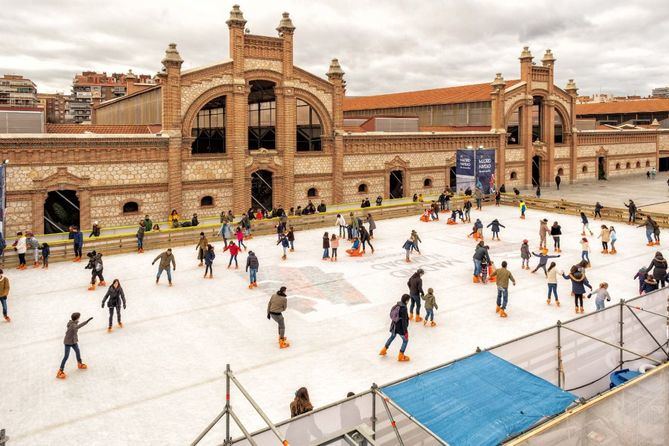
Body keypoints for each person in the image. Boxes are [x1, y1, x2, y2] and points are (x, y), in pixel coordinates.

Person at [56, 312, 93, 379]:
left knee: (77, 351)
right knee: (66, 356)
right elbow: (78, 326)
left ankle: (80, 364)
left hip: (73, 341)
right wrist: (86, 322)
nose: (79, 318)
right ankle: (60, 371)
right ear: (76, 318)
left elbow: (76, 326)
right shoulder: (73, 326)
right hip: (68, 343)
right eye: (79, 317)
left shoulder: (73, 323)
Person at [379, 294, 411, 361]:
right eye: (408, 300)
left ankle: (384, 350)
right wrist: (405, 332)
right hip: (400, 328)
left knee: (392, 337)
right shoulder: (404, 308)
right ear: (406, 300)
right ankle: (401, 355)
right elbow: (404, 322)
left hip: (394, 326)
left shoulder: (397, 305)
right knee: (405, 340)